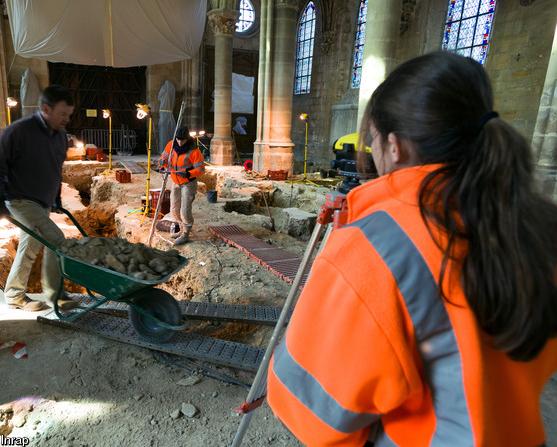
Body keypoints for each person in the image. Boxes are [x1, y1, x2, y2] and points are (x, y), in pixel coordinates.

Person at [267, 51, 557, 446]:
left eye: (370, 143)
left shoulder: (378, 245)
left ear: (394, 145)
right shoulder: (537, 223)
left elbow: (315, 409)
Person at [0, 85, 78, 312]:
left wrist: (55, 198)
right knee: (58, 241)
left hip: (42, 204)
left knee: (29, 248)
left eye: (69, 114)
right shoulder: (18, 131)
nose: (67, 119)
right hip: (20, 200)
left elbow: (55, 168)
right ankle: (56, 294)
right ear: (46, 109)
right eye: (63, 114)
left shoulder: (60, 136)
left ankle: (14, 295)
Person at [157, 126, 205, 245]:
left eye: (182, 140)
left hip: (188, 183)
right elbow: (163, 158)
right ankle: (181, 228)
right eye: (178, 139)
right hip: (175, 181)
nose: (179, 142)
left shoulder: (194, 150)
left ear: (187, 139)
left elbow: (201, 169)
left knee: (185, 209)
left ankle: (185, 233)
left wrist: (188, 173)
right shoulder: (171, 144)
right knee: (174, 209)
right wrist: (162, 162)